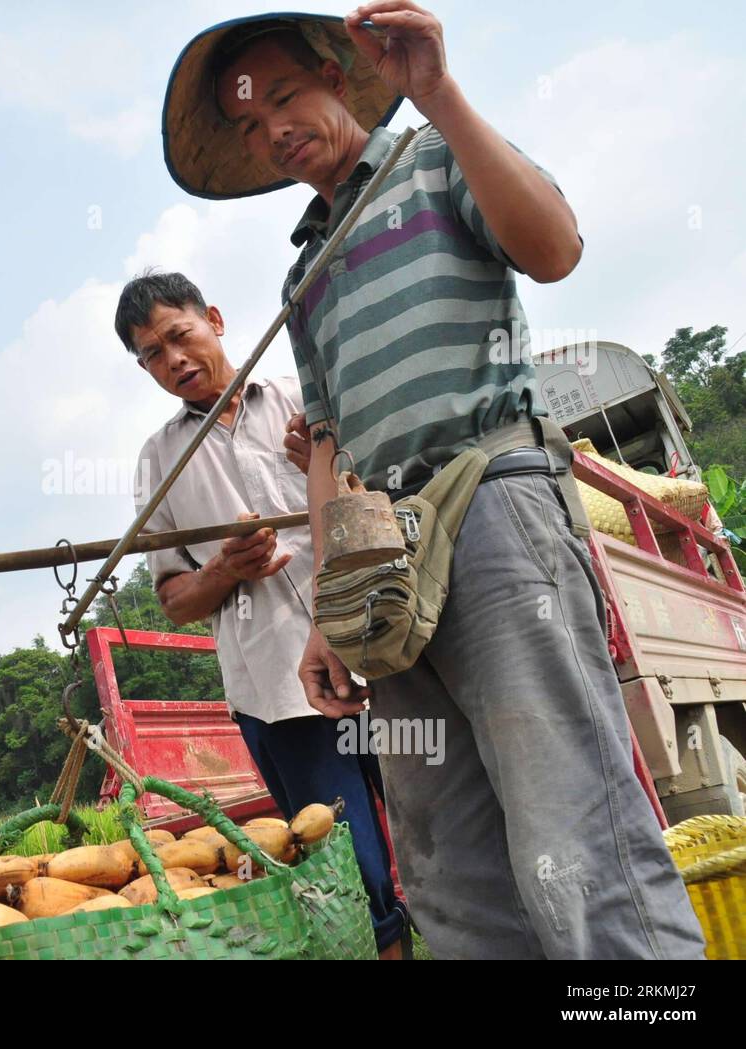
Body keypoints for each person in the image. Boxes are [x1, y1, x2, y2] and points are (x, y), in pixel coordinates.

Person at [159, 8, 705, 958]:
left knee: (569, 817)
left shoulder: (433, 159)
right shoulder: (305, 274)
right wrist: (333, 609)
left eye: (284, 97)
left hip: (492, 498)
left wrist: (440, 95)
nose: (273, 129)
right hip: (386, 559)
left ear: (337, 75)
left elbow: (555, 248)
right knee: (447, 854)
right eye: (250, 126)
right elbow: (330, 448)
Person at [119, 270, 409, 958]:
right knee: (351, 871)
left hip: (380, 655)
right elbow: (175, 598)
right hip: (278, 695)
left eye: (179, 335)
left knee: (446, 831)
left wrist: (330, 462)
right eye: (152, 355)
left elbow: (391, 500)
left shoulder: (303, 400)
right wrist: (226, 568)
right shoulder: (160, 460)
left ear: (213, 318)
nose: (174, 361)